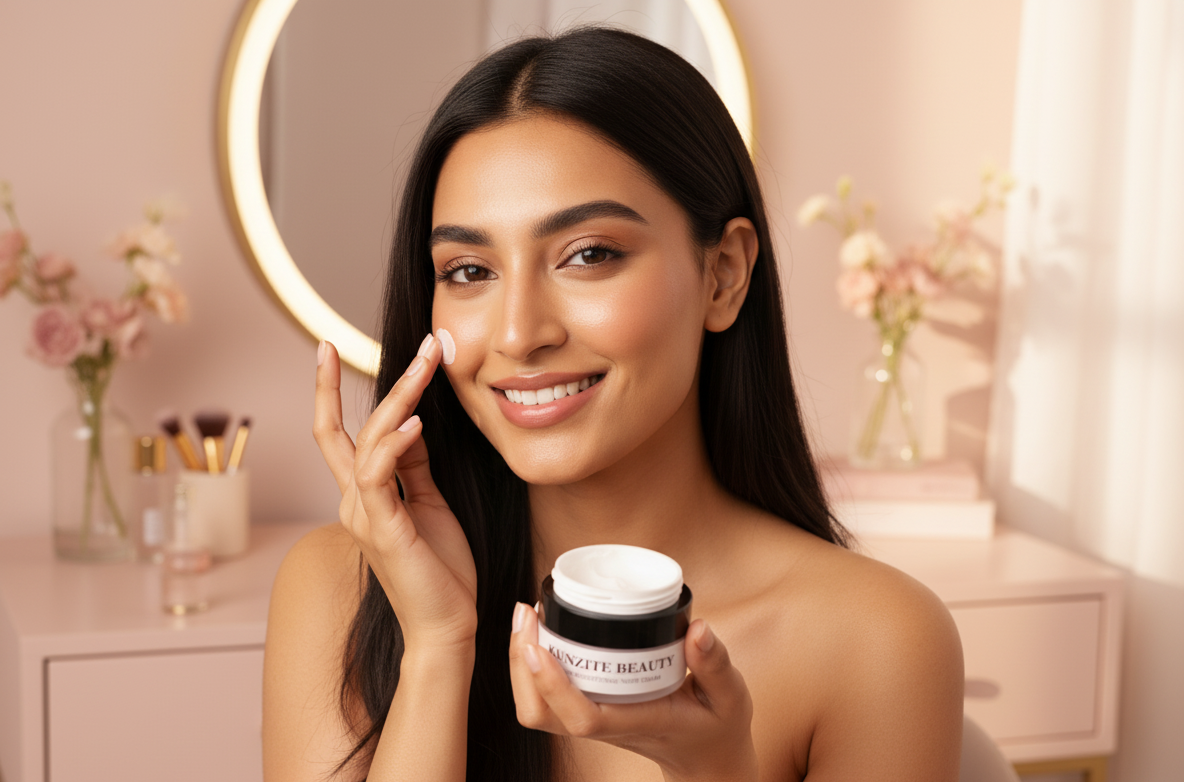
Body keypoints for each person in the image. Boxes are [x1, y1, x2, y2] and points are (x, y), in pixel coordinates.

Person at [263, 26, 963, 782]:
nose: (519, 334)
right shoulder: (340, 590)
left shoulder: (876, 640)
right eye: (469, 271)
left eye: (589, 255)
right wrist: (437, 647)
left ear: (724, 274)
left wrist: (716, 769)